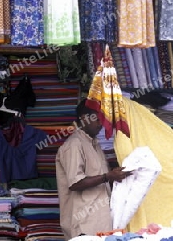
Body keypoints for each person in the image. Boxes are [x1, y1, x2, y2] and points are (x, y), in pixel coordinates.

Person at [56, 99, 132, 240]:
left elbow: (102, 176)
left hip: (100, 221)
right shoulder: (74, 144)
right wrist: (107, 177)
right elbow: (75, 183)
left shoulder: (94, 144)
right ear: (84, 118)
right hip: (84, 224)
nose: (101, 124)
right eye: (98, 119)